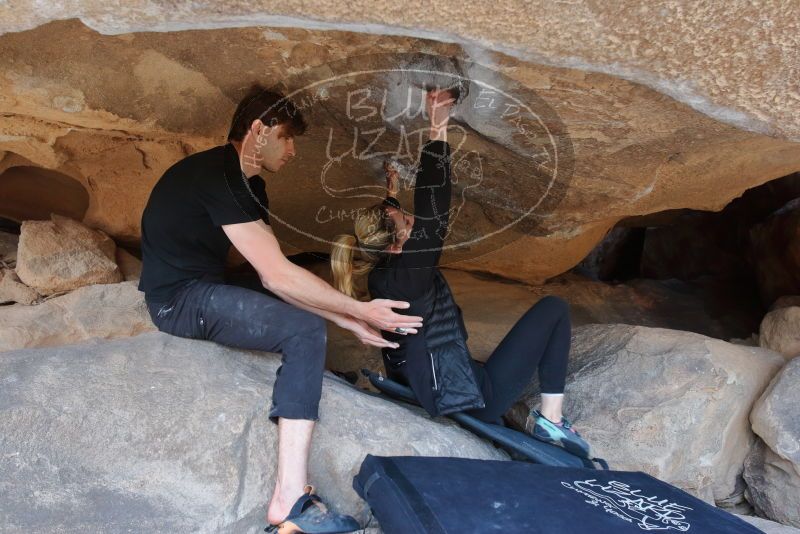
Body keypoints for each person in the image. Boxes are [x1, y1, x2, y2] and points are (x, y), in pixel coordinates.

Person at [139, 84, 424, 533]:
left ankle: (307, 378)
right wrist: (361, 311)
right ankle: (289, 500)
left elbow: (274, 276)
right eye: (287, 138)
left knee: (306, 296)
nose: (292, 151)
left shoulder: (251, 187)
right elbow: (275, 276)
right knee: (302, 330)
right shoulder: (216, 174)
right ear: (259, 129)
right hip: (178, 300)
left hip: (208, 284)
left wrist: (347, 317)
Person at [330, 89, 590, 458]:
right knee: (554, 308)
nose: (414, 221)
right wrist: (438, 125)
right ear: (396, 243)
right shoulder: (410, 274)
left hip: (431, 389)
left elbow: (388, 225)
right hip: (473, 399)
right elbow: (433, 205)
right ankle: (552, 419)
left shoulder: (381, 273)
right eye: (407, 222)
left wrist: (391, 192)